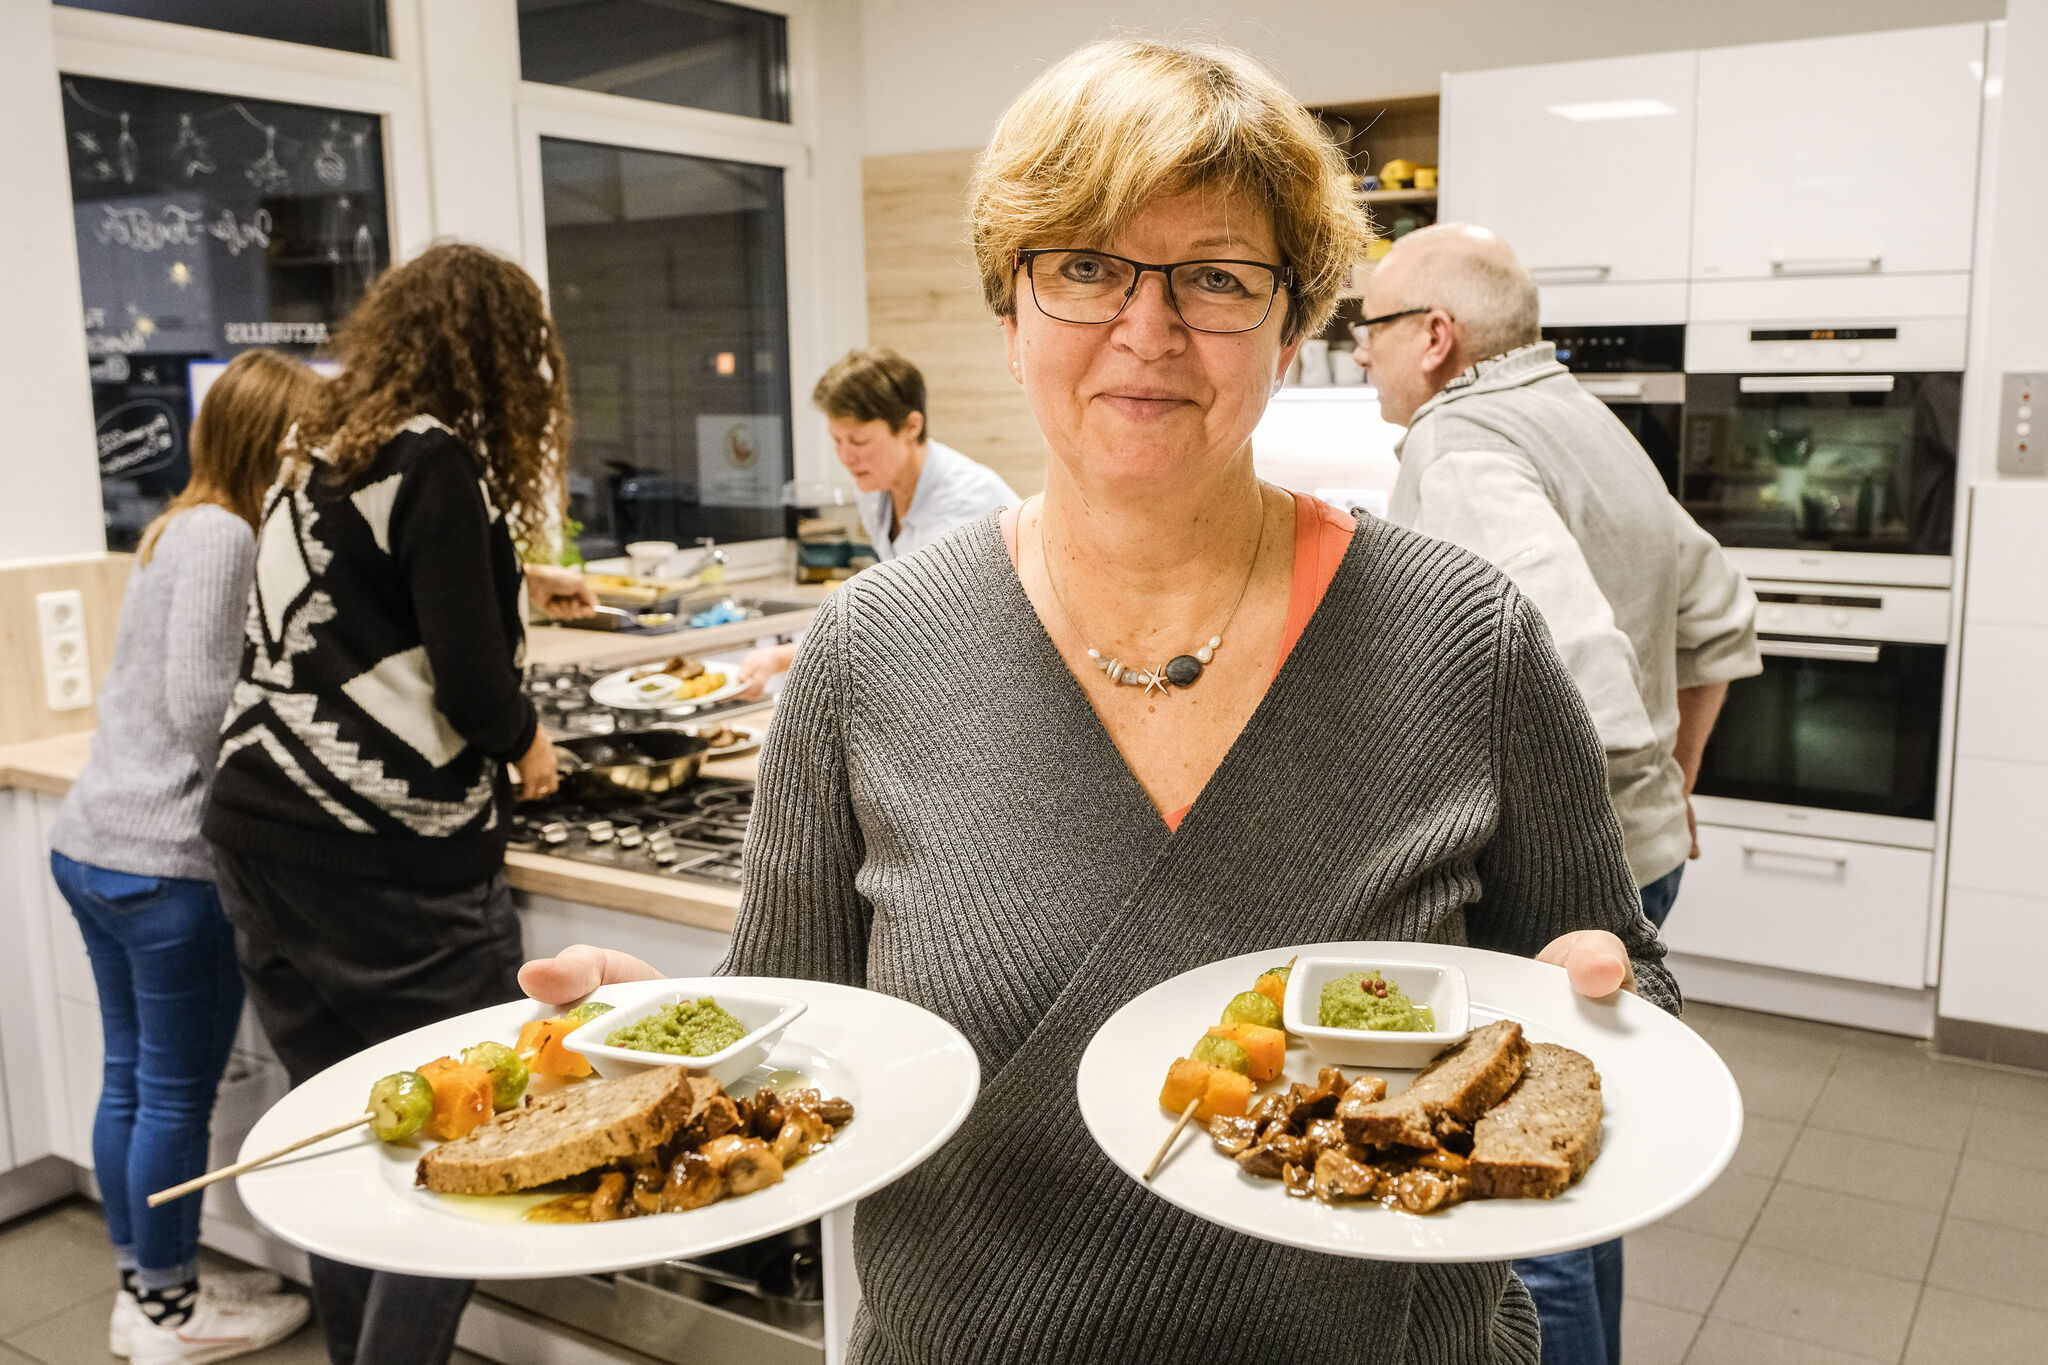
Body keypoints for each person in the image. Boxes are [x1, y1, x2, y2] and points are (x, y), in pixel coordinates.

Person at [523, 39, 1676, 1365]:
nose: (1147, 330)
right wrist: (661, 1041)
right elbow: (802, 1035)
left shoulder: (1463, 639)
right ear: (1007, 314)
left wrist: (1593, 1009)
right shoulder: (869, 652)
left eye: (1216, 277)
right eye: (1083, 267)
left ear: (1292, 327)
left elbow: (1620, 980)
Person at [1356, 222, 1760, 1365]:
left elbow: (1566, 655)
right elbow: (1719, 610)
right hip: (1641, 857)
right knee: (1574, 1158)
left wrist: (1563, 835)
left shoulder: (1458, 439)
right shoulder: (1585, 421)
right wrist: (1668, 786)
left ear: (1432, 337)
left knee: (1521, 1203)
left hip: (1559, 887)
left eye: (1370, 330)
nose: (1363, 356)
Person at [202, 242, 588, 1365]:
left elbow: (362, 620)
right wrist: (528, 740)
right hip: (386, 863)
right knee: (475, 1139)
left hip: (259, 839)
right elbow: (471, 692)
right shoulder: (435, 463)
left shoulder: (312, 451)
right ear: (499, 361)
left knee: (341, 1141)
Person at [48, 349, 319, 1364]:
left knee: (130, 1081)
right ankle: (167, 1316)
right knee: (168, 1094)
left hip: (95, 841)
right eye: (306, 438)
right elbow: (205, 703)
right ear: (272, 440)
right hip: (164, 856)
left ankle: (146, 1285)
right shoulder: (225, 536)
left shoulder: (175, 525)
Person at [737, 347, 1015, 697]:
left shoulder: (962, 503)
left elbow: (913, 626)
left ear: (911, 426)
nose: (845, 456)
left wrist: (783, 658)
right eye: (837, 440)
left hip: (996, 678)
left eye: (859, 440)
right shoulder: (876, 490)